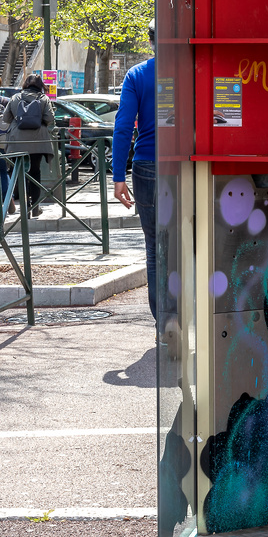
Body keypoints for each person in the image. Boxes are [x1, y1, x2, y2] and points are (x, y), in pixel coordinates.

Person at [113, 22, 156, 321]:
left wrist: (118, 177)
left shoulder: (137, 75)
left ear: (151, 41)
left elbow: (123, 128)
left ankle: (164, 321)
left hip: (147, 166)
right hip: (187, 164)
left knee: (154, 247)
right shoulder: (193, 68)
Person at [2, 75, 55, 217]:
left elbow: (6, 118)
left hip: (16, 142)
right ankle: (35, 206)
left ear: (26, 84)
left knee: (19, 173)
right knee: (35, 172)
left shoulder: (15, 98)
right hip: (38, 141)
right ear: (40, 85)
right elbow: (50, 118)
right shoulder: (44, 99)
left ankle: (25, 207)